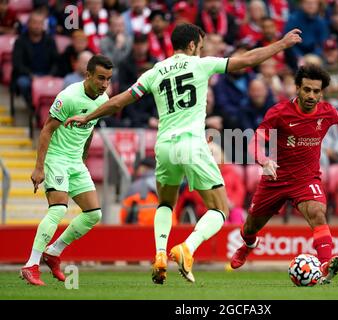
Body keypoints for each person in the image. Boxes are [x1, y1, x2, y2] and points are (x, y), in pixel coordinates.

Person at [64, 23, 303, 284]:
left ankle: (159, 254)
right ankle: (187, 248)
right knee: (220, 209)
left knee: (166, 203)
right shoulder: (200, 65)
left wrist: (88, 116)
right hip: (192, 144)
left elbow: (120, 100)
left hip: (164, 146)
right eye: (199, 46)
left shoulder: (154, 72)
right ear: (191, 46)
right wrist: (280, 45)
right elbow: (245, 60)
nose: (200, 51)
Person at [230, 64, 338, 284]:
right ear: (298, 89)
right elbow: (256, 139)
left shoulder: (326, 112)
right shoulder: (279, 112)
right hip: (275, 179)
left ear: (322, 92)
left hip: (306, 180)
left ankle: (325, 265)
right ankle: (248, 245)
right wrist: (263, 160)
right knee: (250, 228)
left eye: (316, 91)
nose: (311, 95)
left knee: (318, 212)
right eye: (307, 90)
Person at [20, 55, 113, 286]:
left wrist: (84, 157)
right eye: (100, 78)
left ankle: (53, 252)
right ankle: (31, 265)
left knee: (94, 214)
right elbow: (46, 130)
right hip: (56, 157)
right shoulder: (69, 96)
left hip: (75, 161)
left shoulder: (104, 99)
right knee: (59, 209)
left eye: (108, 79)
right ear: (88, 75)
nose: (104, 84)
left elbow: (90, 128)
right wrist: (39, 167)